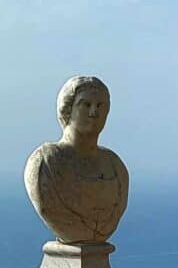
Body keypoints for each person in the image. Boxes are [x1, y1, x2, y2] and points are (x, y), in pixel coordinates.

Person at [24, 76, 129, 243]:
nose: (94, 112)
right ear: (68, 109)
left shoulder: (115, 166)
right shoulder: (45, 163)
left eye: (100, 106)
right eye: (85, 105)